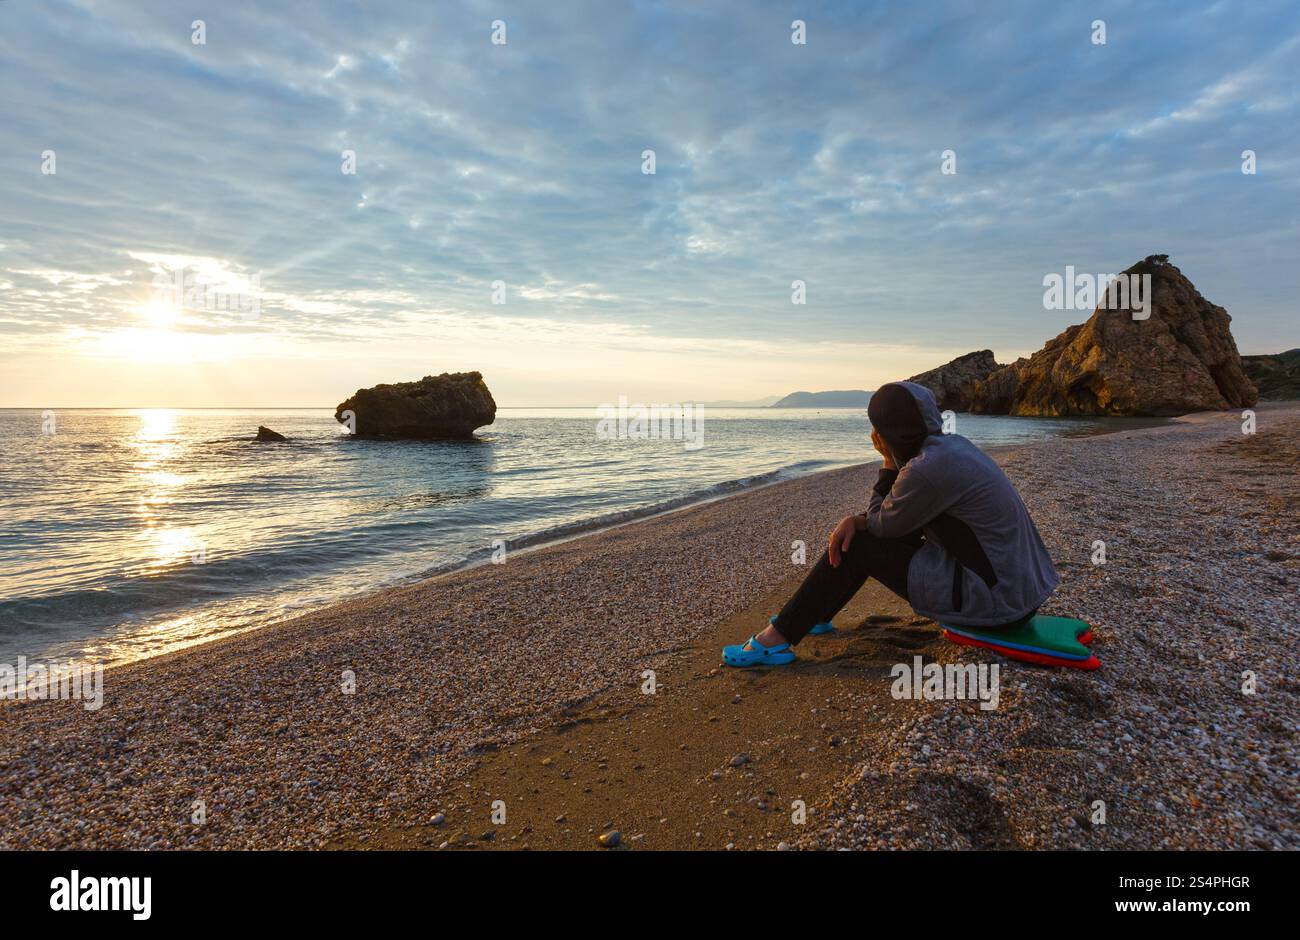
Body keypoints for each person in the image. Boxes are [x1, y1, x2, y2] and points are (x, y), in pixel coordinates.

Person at [723, 381, 1059, 667]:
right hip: (1020, 591)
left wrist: (886, 464)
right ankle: (817, 613)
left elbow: (882, 525)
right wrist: (862, 519)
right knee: (868, 531)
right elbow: (900, 521)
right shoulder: (953, 447)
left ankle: (776, 639)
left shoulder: (927, 469)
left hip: (993, 602)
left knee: (856, 543)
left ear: (890, 431)